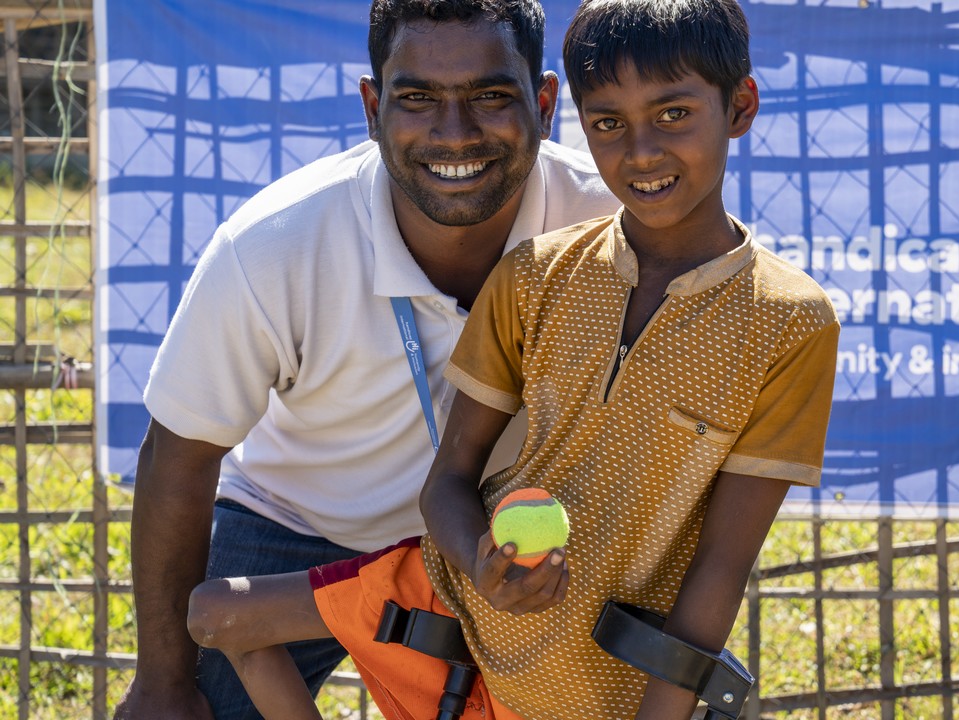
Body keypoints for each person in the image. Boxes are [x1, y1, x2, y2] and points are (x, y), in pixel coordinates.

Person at [185, 0, 840, 718]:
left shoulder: (788, 322)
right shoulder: (534, 275)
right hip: (455, 594)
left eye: (675, 114)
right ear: (578, 123)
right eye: (608, 125)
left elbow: (721, 566)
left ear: (740, 106)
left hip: (600, 657)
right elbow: (450, 482)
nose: (642, 151)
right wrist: (482, 566)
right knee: (219, 615)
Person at [112, 0, 620, 717]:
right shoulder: (276, 242)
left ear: (542, 102)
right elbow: (178, 454)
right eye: (417, 98)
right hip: (297, 526)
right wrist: (164, 682)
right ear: (372, 105)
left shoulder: (608, 230)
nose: (455, 133)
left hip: (489, 544)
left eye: (490, 96)